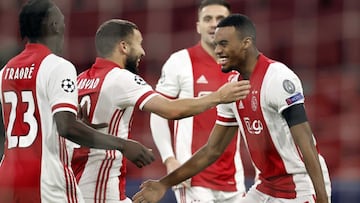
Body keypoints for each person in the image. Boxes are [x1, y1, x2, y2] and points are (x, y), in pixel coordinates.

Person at [133, 14, 332, 203]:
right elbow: (213, 150)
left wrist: (322, 199)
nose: (217, 50)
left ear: (246, 43)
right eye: (216, 44)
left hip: (300, 186)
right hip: (266, 186)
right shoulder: (233, 89)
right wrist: (163, 184)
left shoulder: (278, 78)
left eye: (223, 44)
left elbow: (307, 143)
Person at [70, 19, 251, 203]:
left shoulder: (79, 80)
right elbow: (171, 110)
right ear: (124, 47)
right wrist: (218, 97)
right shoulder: (121, 78)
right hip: (100, 190)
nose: (142, 51)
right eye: (138, 43)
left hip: (78, 184)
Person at [0, 0, 156, 202]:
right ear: (52, 24)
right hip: (46, 180)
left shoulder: (5, 72)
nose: (64, 27)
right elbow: (66, 127)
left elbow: (25, 124)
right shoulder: (58, 66)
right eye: (61, 20)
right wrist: (123, 145)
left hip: (7, 178)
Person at [150, 0, 247, 202]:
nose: (213, 24)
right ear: (198, 26)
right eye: (207, 19)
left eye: (220, 19)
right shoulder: (180, 61)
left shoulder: (242, 67)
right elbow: (157, 113)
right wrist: (169, 160)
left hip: (233, 179)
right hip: (192, 177)